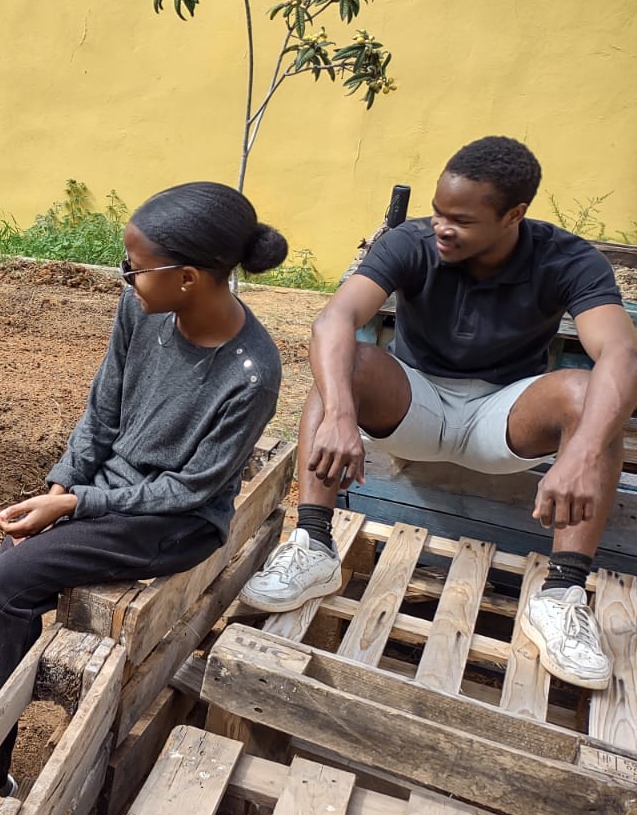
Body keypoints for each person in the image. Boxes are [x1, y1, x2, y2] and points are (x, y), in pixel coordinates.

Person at [0, 182, 288, 807]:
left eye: (136, 268)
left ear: (188, 278)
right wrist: (61, 485)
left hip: (171, 523)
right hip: (103, 495)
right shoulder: (141, 313)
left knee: (4, 588)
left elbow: (191, 488)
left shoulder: (250, 373)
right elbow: (102, 414)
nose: (125, 278)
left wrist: (75, 506)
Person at [240, 136, 637, 690]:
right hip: (416, 404)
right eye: (437, 212)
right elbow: (334, 320)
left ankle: (562, 596)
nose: (441, 227)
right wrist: (337, 415)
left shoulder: (566, 259)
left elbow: (621, 352)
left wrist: (585, 449)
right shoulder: (413, 243)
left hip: (502, 417)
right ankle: (313, 545)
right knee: (346, 362)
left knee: (587, 393)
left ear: (513, 216)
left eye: (462, 220)